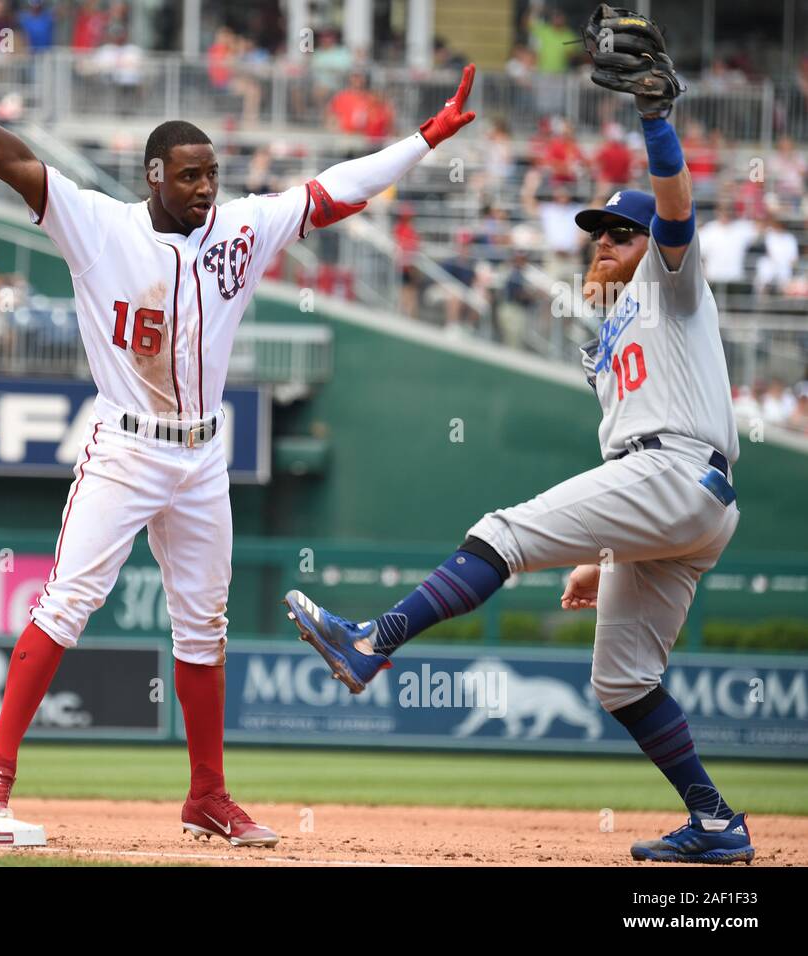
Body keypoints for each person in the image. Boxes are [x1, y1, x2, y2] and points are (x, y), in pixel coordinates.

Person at [0, 21, 476, 846]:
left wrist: (423, 139)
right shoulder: (98, 225)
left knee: (204, 626)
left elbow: (334, 191)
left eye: (214, 174)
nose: (207, 188)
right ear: (155, 175)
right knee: (69, 602)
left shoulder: (240, 228)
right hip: (125, 445)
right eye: (192, 175)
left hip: (205, 452)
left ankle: (208, 795)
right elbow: (18, 163)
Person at [285, 15, 754, 865]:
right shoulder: (608, 337)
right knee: (621, 681)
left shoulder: (672, 286)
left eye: (620, 232)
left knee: (499, 531)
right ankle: (717, 822)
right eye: (596, 233)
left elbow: (677, 211)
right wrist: (607, 549)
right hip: (680, 503)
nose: (604, 243)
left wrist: (655, 120)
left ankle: (372, 642)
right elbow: (629, 462)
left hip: (676, 472)